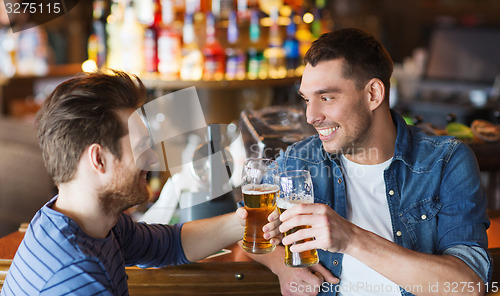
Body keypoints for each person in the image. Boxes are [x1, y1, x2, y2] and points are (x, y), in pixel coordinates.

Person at [246, 28, 491, 296]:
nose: (311, 116)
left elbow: (469, 286)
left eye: (326, 97)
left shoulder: (446, 161)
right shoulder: (299, 161)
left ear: (373, 94)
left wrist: (351, 239)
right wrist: (282, 267)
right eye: (307, 100)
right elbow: (247, 225)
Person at [0, 71, 281, 295]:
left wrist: (247, 220)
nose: (153, 161)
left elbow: (168, 245)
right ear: (99, 159)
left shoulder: (90, 222)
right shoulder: (75, 277)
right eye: (141, 147)